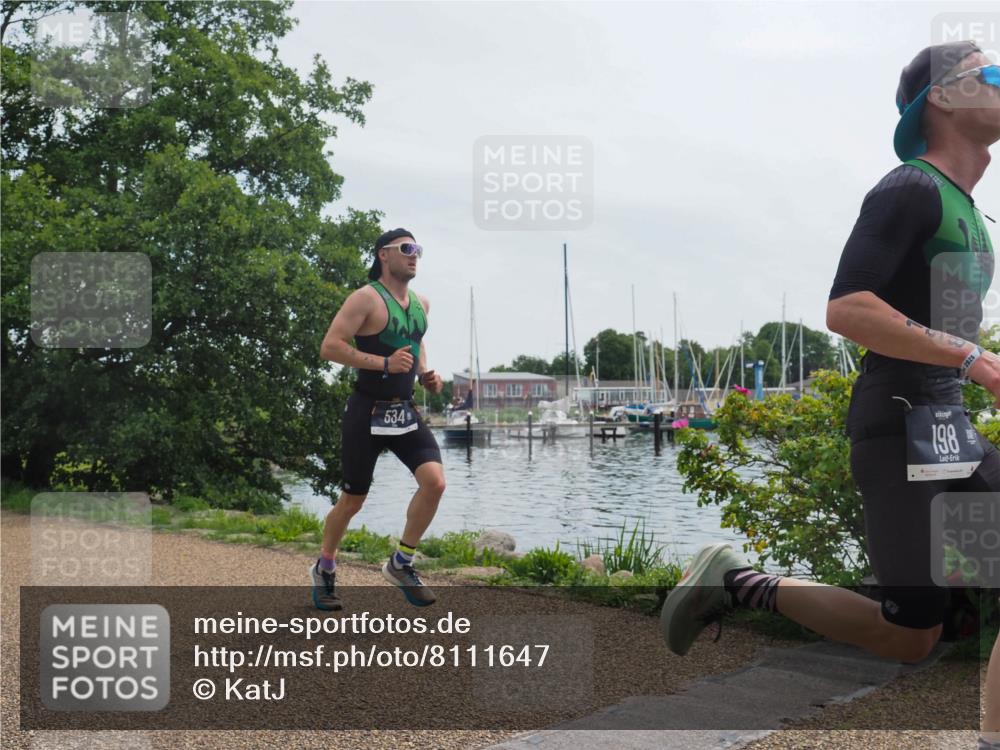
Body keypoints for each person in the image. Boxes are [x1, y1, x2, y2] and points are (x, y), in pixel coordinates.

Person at [660, 42, 1000, 747]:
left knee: (922, 634)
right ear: (942, 98)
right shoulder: (909, 188)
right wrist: (974, 357)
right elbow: (848, 309)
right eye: (991, 74)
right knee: (910, 634)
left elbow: (935, 328)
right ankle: (736, 582)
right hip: (901, 424)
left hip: (946, 425)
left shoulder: (968, 211)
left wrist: (970, 363)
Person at [312, 228, 446, 610]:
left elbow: (415, 341)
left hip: (402, 409)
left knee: (434, 482)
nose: (414, 255)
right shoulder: (365, 298)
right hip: (366, 411)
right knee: (353, 500)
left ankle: (401, 563)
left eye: (418, 249)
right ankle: (325, 568)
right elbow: (330, 347)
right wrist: (383, 363)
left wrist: (424, 373)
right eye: (406, 249)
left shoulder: (422, 302)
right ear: (383, 255)